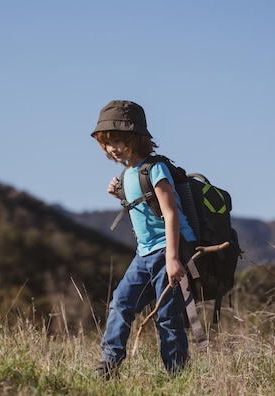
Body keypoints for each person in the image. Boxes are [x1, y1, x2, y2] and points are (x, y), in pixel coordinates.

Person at [90, 100, 197, 379]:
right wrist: (120, 195)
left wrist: (173, 258)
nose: (112, 147)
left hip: (168, 250)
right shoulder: (128, 174)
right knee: (121, 303)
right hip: (145, 253)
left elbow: (170, 213)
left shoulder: (155, 169)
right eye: (106, 142)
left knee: (168, 316)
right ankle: (109, 364)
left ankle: (177, 376)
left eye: (117, 139)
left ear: (135, 137)